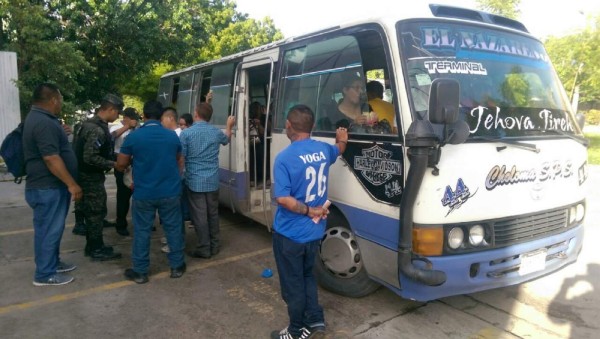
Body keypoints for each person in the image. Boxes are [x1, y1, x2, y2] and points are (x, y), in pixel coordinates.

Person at [270, 104, 348, 339]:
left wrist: (308, 210)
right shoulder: (324, 150)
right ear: (312, 127)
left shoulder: (284, 158)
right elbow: (339, 149)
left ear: (288, 126)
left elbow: (283, 198)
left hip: (290, 234)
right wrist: (342, 138)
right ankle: (315, 321)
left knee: (292, 284)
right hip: (315, 233)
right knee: (307, 277)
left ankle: (295, 331)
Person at [116, 100, 186, 284]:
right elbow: (179, 160)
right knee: (173, 229)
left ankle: (140, 272)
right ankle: (177, 266)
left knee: (142, 231)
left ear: (144, 116)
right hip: (170, 191)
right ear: (161, 115)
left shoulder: (134, 137)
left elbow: (122, 163)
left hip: (144, 193)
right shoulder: (172, 136)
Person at [23, 83, 82, 286]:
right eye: (61, 100)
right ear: (54, 100)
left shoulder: (43, 120)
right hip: (47, 187)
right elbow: (51, 158)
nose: (61, 104)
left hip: (47, 187)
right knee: (49, 230)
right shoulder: (43, 122)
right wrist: (72, 184)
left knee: (51, 229)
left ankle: (52, 263)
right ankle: (45, 274)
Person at [180, 102, 235, 259]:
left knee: (199, 216)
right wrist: (229, 126)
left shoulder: (186, 134)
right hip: (212, 181)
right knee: (212, 213)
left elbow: (181, 158)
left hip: (194, 181)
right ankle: (215, 245)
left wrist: (179, 176)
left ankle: (204, 248)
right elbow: (226, 140)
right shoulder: (215, 132)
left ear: (196, 114)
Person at [74, 94, 123, 261]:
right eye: (117, 113)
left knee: (93, 212)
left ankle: (93, 246)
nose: (117, 116)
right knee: (96, 212)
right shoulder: (96, 129)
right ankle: (96, 249)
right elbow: (90, 157)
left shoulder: (87, 124)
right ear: (110, 109)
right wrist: (113, 164)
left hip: (85, 175)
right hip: (90, 177)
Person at [109, 107, 140, 236]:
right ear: (125, 118)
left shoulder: (138, 128)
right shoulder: (114, 126)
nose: (134, 121)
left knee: (139, 196)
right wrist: (127, 127)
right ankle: (120, 223)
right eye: (131, 118)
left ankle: (140, 222)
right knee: (123, 195)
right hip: (121, 162)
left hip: (136, 162)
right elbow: (112, 137)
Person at [249, 101, 265, 186]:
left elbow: (263, 132)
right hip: (251, 143)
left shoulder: (262, 119)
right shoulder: (248, 119)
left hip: (258, 142)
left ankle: (259, 178)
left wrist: (259, 125)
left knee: (259, 159)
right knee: (252, 160)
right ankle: (252, 179)